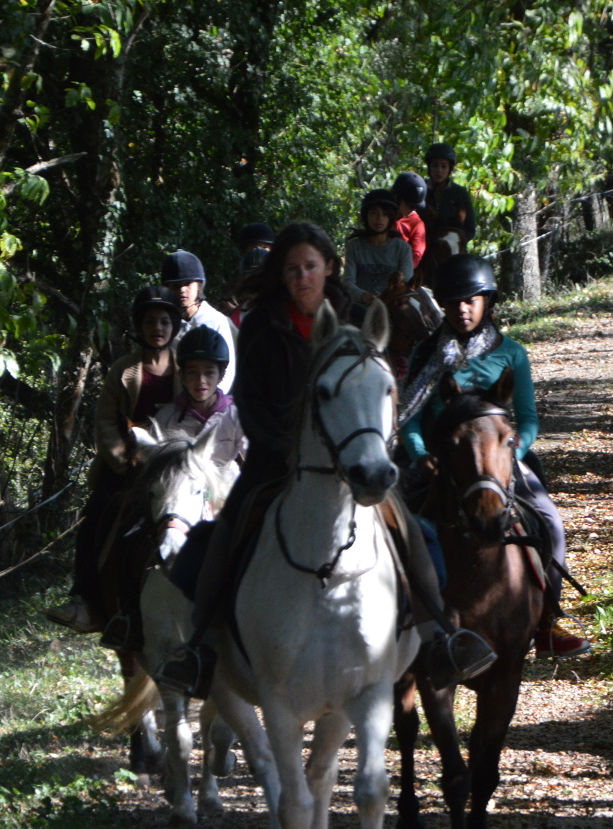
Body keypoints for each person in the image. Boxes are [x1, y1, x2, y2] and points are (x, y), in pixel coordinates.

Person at [151, 221, 496, 696]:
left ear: (329, 267)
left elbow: (386, 380)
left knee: (415, 530)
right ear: (281, 274)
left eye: (310, 266)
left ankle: (439, 634)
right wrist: (284, 451)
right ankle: (202, 648)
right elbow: (249, 400)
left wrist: (375, 440)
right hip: (276, 460)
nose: (301, 277)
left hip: (356, 456)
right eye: (291, 269)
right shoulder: (259, 323)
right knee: (221, 533)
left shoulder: (359, 312)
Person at [398, 256, 589, 657]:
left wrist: (512, 452)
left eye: (470, 300)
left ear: (487, 302)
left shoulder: (512, 354)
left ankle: (548, 620)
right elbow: (411, 418)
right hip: (438, 461)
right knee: (392, 525)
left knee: (551, 523)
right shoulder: (425, 353)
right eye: (452, 303)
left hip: (500, 459)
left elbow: (529, 418)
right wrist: (419, 456)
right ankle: (396, 622)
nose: (461, 310)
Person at [46, 285, 185, 633]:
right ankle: (86, 601)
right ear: (140, 326)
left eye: (165, 321)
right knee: (95, 516)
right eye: (151, 321)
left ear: (174, 326)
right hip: (129, 469)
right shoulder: (122, 370)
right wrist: (126, 462)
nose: (158, 328)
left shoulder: (188, 368)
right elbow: (106, 423)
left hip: (173, 467)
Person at [152, 325, 244, 470]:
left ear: (221, 376)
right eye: (193, 372)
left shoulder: (237, 417)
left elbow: (254, 462)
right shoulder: (165, 419)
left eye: (209, 373)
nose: (201, 380)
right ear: (182, 375)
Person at [162, 249, 239, 393]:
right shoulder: (164, 324)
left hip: (211, 406)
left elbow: (228, 370)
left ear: (199, 286)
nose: (182, 290)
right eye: (176, 286)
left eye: (187, 284)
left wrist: (210, 403)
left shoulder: (216, 321)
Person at [342, 190, 414, 306]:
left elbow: (407, 285)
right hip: (360, 307)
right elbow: (348, 282)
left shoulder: (403, 249)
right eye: (374, 213)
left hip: (392, 308)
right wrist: (366, 296)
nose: (379, 218)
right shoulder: (355, 246)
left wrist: (385, 298)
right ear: (366, 216)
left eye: (385, 214)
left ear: (391, 218)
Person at [422, 143, 476, 249]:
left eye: (443, 166)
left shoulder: (460, 193)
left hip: (452, 248)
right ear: (429, 167)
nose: (439, 170)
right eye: (435, 165)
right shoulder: (420, 189)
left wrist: (454, 242)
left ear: (449, 169)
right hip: (422, 245)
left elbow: (470, 230)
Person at [390, 171, 429, 268]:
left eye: (414, 207)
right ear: (397, 199)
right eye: (409, 205)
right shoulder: (381, 217)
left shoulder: (417, 224)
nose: (412, 209)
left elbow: (415, 257)